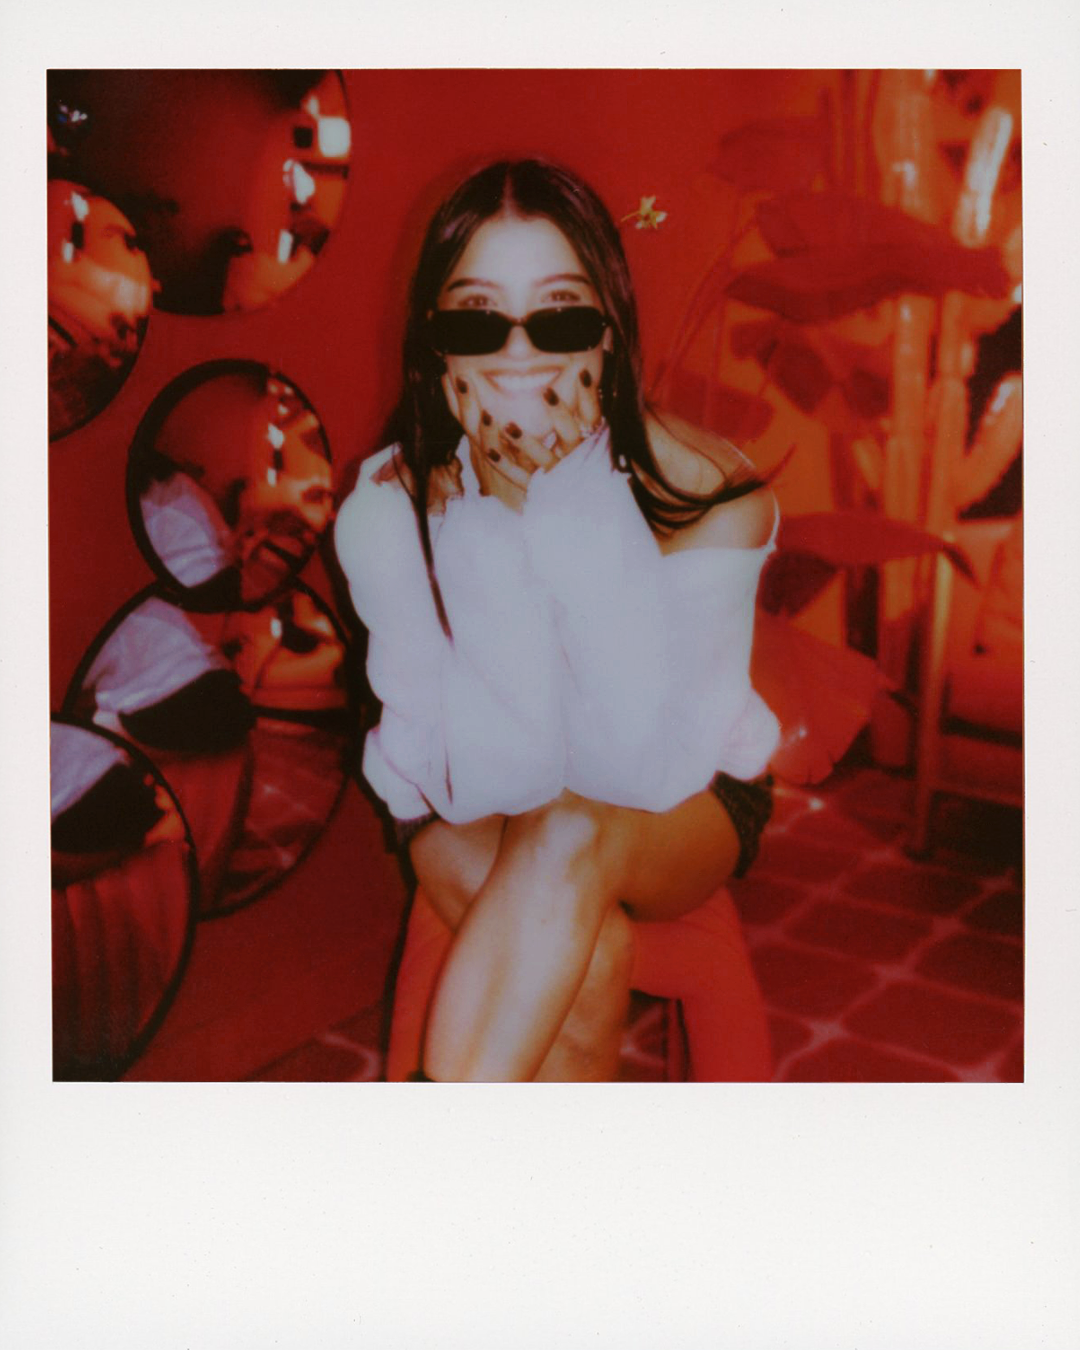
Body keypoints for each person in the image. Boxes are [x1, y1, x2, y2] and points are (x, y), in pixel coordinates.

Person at [335, 159, 780, 1082]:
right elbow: (466, 775)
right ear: (436, 341)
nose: (518, 352)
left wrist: (574, 518)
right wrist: (491, 533)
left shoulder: (712, 494)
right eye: (477, 316)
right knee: (588, 959)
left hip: (687, 794)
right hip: (452, 792)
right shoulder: (386, 508)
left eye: (560, 314)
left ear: (608, 332)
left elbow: (640, 767)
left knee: (573, 827)